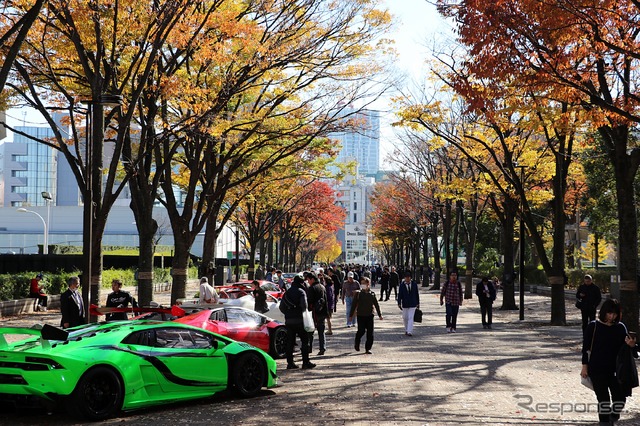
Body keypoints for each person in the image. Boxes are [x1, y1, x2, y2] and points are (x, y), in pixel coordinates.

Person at [581, 299, 637, 425]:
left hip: (616, 370)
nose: (612, 316)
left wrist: (631, 345)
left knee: (620, 398)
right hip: (597, 369)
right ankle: (605, 422)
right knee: (603, 400)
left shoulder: (620, 327)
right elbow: (585, 348)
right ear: (604, 312)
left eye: (615, 314)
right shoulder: (593, 326)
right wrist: (584, 366)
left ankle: (613, 416)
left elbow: (626, 349)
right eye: (609, 313)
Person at [280, 275, 315, 369]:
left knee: (290, 342)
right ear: (301, 283)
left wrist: (288, 313)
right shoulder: (301, 292)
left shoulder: (287, 293)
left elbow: (281, 307)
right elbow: (304, 306)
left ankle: (290, 363)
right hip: (300, 321)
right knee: (305, 340)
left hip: (289, 321)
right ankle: (305, 362)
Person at [350, 277, 383, 354]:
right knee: (361, 331)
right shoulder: (358, 294)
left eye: (364, 283)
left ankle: (368, 348)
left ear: (368, 284)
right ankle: (357, 342)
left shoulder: (372, 294)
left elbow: (376, 304)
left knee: (370, 333)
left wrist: (379, 315)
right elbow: (354, 305)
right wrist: (351, 315)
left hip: (370, 316)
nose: (363, 285)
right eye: (362, 283)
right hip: (361, 315)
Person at [307, 272, 328, 355]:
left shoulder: (312, 288)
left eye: (308, 280)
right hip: (322, 311)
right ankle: (322, 348)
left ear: (312, 279)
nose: (308, 281)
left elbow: (309, 301)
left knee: (311, 331)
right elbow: (326, 300)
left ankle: (309, 348)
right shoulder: (322, 286)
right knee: (321, 331)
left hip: (314, 312)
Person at [397, 271, 420, 336]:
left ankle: (409, 331)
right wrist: (399, 303)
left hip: (413, 303)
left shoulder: (414, 284)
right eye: (406, 277)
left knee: (410, 317)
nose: (407, 279)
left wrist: (418, 303)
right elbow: (400, 295)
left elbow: (416, 294)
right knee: (405, 317)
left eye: (409, 277)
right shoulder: (402, 285)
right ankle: (406, 329)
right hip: (405, 303)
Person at [319, 270, 334, 335]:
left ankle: (330, 330)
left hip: (329, 305)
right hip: (330, 304)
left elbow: (328, 296)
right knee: (328, 318)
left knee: (328, 318)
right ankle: (329, 329)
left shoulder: (328, 288)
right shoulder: (330, 287)